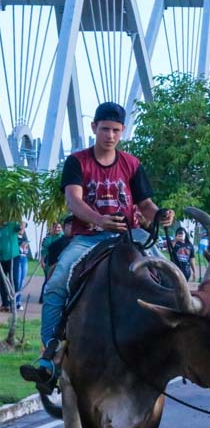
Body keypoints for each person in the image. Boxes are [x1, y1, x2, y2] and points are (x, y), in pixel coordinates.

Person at [20, 101, 175, 390]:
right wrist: (100, 221)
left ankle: (175, 343)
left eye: (116, 130)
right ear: (94, 128)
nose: (110, 135)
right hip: (87, 238)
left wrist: (161, 216)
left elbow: (146, 205)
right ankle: (49, 355)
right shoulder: (77, 161)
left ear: (123, 131)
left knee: (169, 275)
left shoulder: (132, 163)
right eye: (105, 129)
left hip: (130, 236)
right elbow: (74, 201)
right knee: (55, 283)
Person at [0, 221, 18, 311]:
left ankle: (14, 303)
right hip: (1, 258)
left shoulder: (12, 224)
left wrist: (22, 224)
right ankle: (5, 304)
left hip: (12, 257)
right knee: (2, 281)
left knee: (13, 280)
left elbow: (21, 227)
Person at [13, 222, 30, 310]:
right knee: (17, 281)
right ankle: (14, 302)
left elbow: (26, 248)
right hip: (16, 258)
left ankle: (18, 302)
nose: (22, 228)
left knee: (22, 281)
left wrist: (25, 246)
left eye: (24, 226)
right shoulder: (14, 235)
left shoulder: (25, 236)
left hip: (24, 259)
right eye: (21, 226)